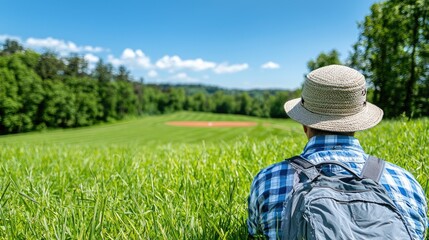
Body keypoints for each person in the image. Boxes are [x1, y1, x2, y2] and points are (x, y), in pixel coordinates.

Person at [247, 65, 428, 239]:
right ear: (358, 123)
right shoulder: (406, 183)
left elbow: (254, 235)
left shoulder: (267, 180)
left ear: (304, 124)